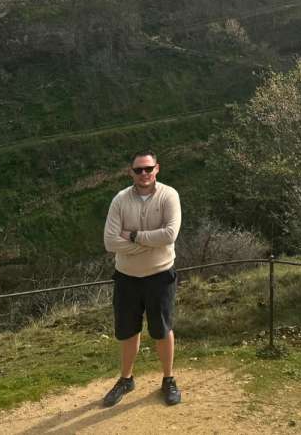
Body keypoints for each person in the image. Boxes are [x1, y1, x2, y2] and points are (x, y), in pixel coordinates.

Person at [102, 150, 183, 407]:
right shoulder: (120, 200)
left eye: (148, 168)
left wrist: (134, 237)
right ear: (131, 172)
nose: (144, 174)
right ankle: (126, 379)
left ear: (157, 168)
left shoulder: (169, 195)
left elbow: (170, 235)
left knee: (162, 329)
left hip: (160, 276)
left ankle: (168, 378)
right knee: (127, 331)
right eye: (139, 170)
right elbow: (110, 242)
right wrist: (151, 242)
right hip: (127, 277)